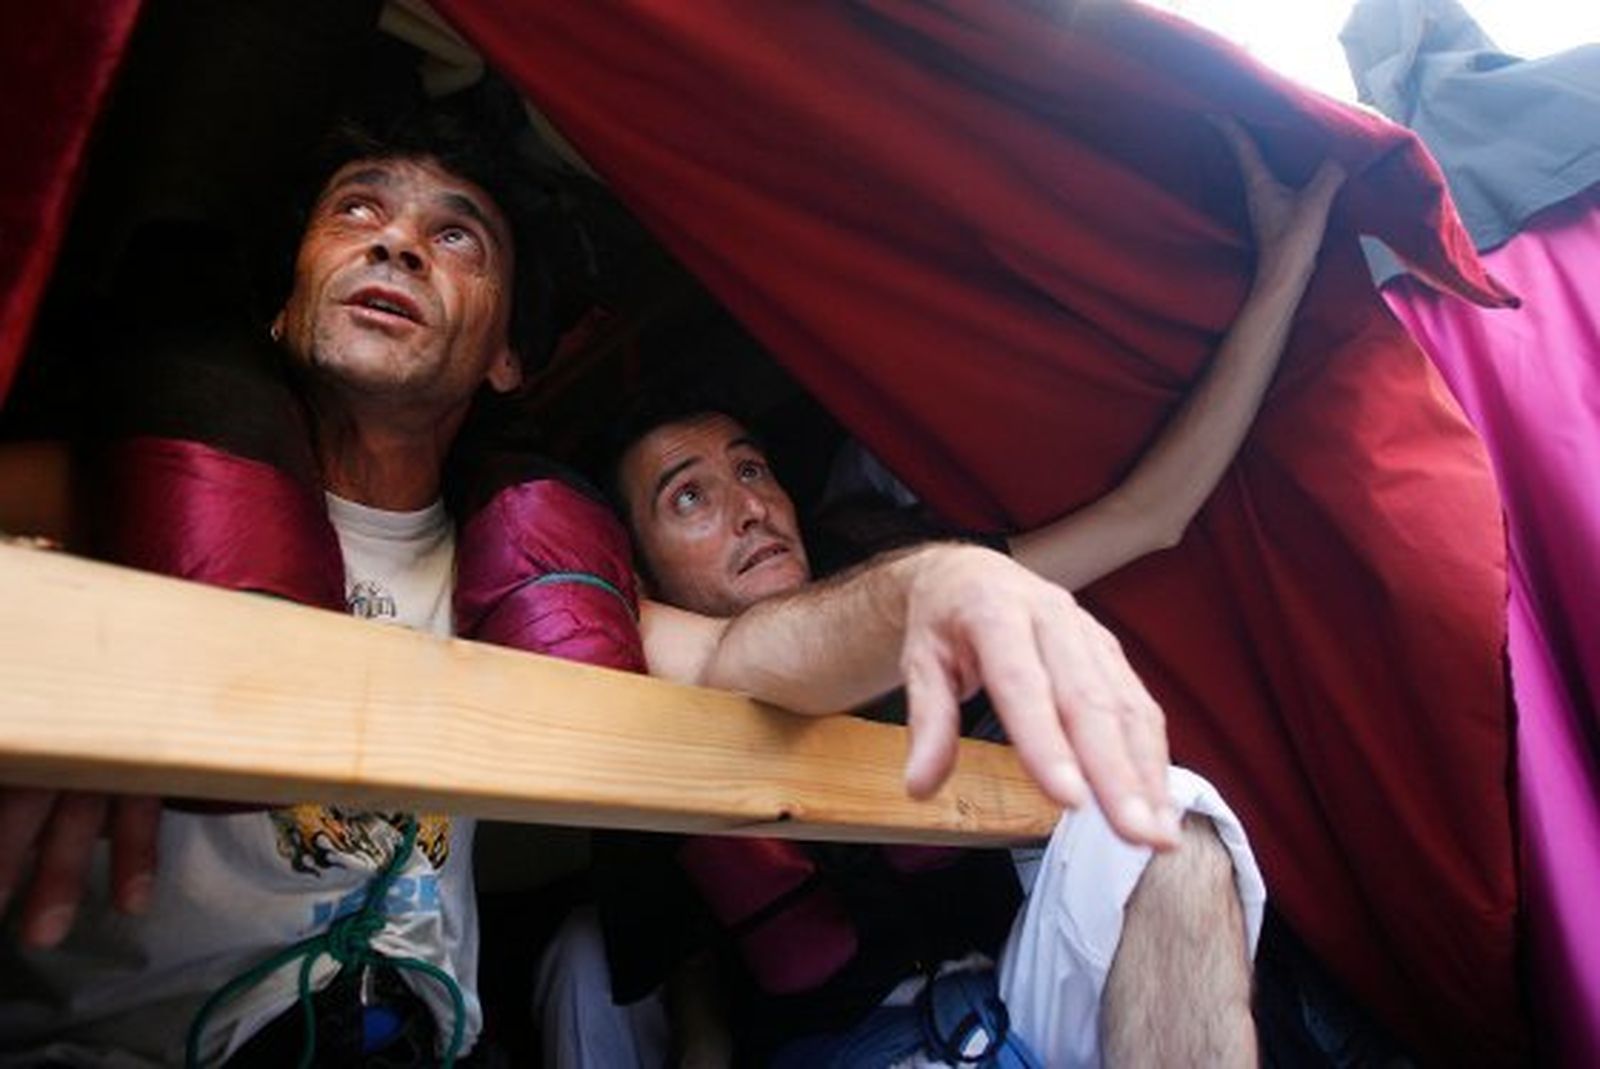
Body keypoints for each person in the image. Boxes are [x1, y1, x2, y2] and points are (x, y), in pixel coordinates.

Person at [0, 106, 1178, 1066]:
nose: (397, 243)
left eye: (457, 234)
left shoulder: (520, 574)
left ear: (508, 352)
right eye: (357, 209)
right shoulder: (100, 502)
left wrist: (943, 582)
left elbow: (736, 656)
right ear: (282, 297)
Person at [535, 118, 1343, 1067]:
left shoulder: (912, 588)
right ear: (646, 564)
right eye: (691, 498)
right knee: (581, 954)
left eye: (752, 470)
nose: (747, 506)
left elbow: (1150, 513)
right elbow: (693, 989)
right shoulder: (652, 680)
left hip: (1018, 1002)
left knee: (1173, 812)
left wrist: (1286, 267)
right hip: (839, 1047)